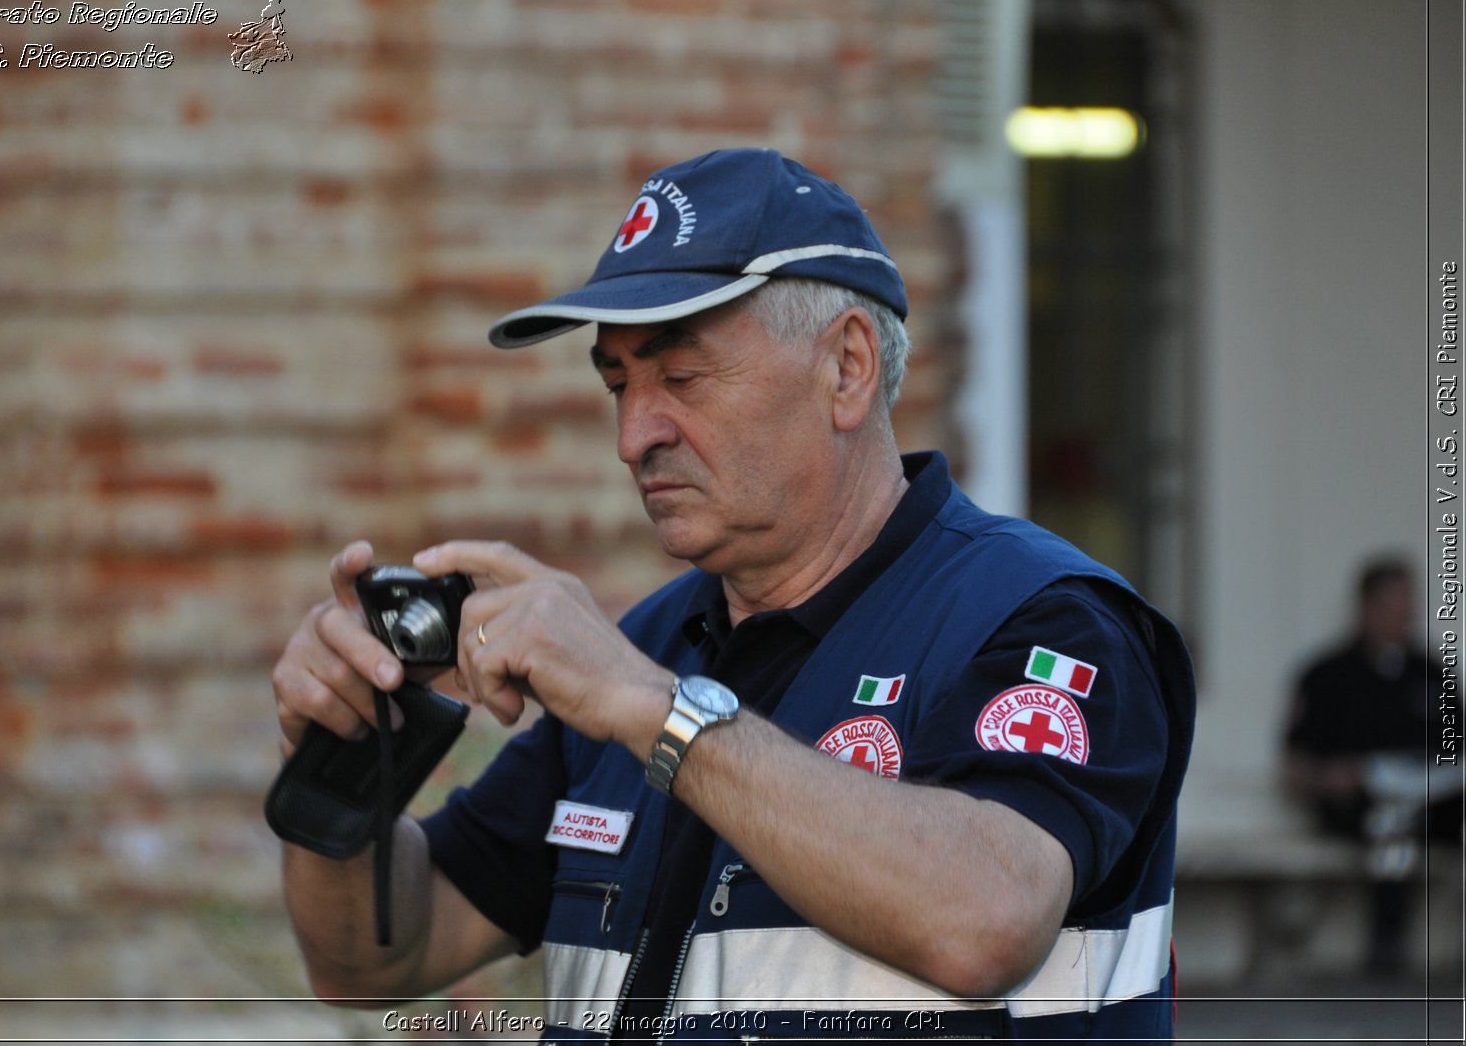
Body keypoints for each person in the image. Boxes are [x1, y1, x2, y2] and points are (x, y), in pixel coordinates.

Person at [272, 148, 1197, 1042]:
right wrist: (342, 763)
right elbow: (377, 958)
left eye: (681, 376)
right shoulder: (654, 642)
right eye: (617, 383)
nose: (635, 436)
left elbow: (988, 916)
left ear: (847, 368)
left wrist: (654, 710)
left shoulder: (1047, 619)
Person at [1284, 557, 1458, 972]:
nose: (1403, 613)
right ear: (1366, 606)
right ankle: (1388, 947)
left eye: (1408, 602)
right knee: (1391, 822)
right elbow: (1296, 763)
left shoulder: (1430, 672)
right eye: (1392, 603)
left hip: (1434, 802)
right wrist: (1330, 777)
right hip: (1359, 806)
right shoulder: (1327, 674)